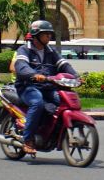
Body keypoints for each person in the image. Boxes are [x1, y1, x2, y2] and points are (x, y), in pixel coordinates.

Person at [13, 20, 77, 155]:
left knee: (62, 101)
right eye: (46, 34)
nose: (49, 37)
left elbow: (64, 64)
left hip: (47, 87)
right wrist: (34, 74)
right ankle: (28, 139)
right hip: (27, 87)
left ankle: (50, 131)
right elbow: (21, 66)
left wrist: (76, 76)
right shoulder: (25, 50)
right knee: (37, 102)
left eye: (50, 34)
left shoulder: (51, 52)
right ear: (36, 35)